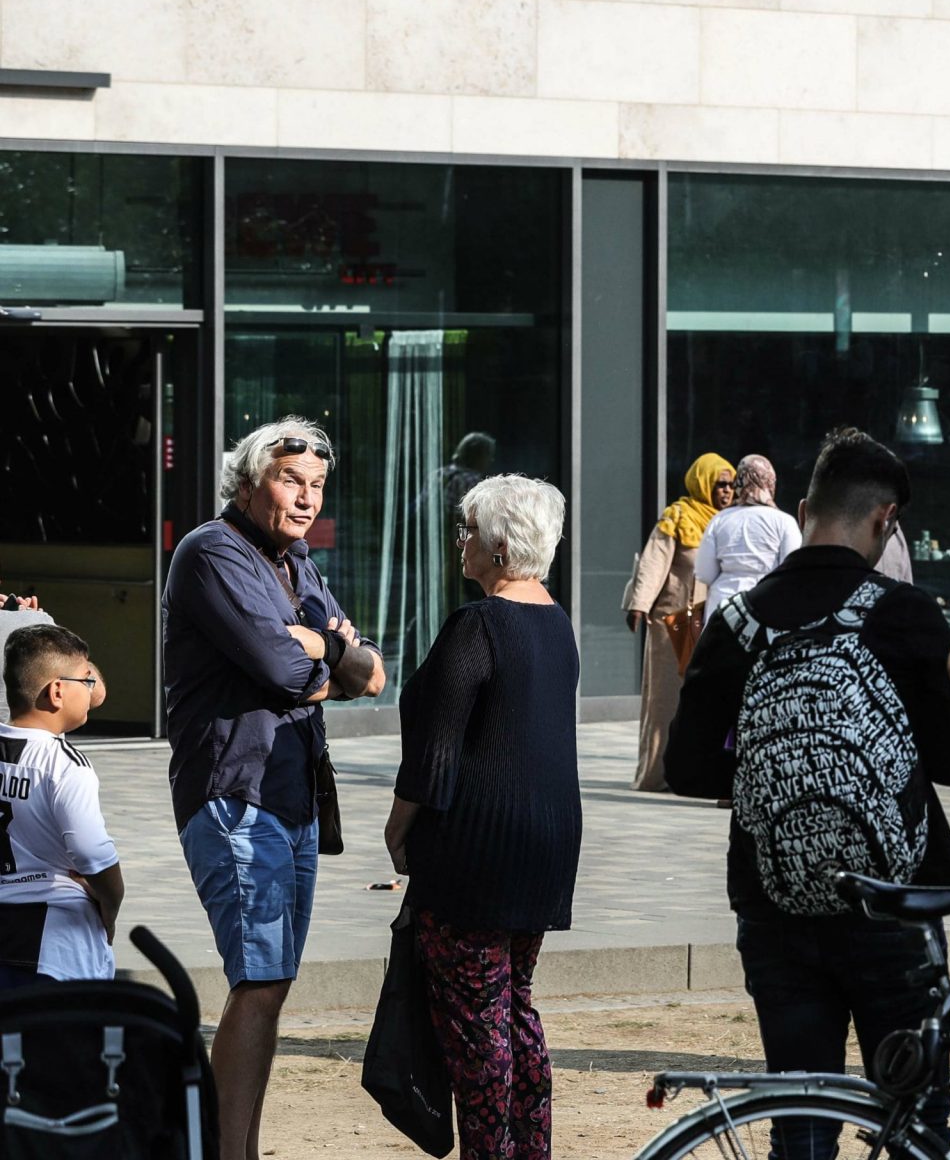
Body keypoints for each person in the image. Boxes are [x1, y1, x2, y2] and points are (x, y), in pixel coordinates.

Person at [667, 429, 950, 1159]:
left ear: (804, 509)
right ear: (884, 520)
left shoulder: (739, 623)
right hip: (894, 903)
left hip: (774, 900)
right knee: (913, 1119)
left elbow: (686, 770)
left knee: (801, 1120)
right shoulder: (906, 615)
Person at [164, 415, 387, 1160]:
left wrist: (317, 643)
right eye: (290, 479)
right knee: (259, 981)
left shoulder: (299, 565)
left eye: (317, 485)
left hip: (293, 796)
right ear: (249, 480)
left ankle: (241, 1149)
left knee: (273, 981)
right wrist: (326, 650)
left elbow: (371, 671)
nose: (305, 498)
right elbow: (291, 672)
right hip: (234, 792)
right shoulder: (212, 553)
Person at [386, 474, 582, 1160]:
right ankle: (531, 1149)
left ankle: (488, 1153)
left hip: (475, 850)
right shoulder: (556, 623)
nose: (459, 540)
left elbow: (436, 756)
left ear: (500, 547)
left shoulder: (477, 626)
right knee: (516, 1005)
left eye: (468, 528)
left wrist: (397, 831)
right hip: (547, 844)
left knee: (477, 1023)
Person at [0, 624, 122, 988]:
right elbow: (92, 853)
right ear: (57, 692)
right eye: (85, 681)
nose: (91, 690)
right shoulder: (64, 764)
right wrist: (110, 908)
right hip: (54, 940)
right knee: (61, 1040)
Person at [624, 452, 733, 791]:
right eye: (721, 484)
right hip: (674, 619)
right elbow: (653, 562)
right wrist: (639, 605)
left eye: (731, 484)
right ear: (702, 483)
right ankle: (654, 775)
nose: (728, 491)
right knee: (665, 700)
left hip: (710, 621)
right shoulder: (678, 516)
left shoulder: (729, 520)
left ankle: (691, 771)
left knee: (702, 702)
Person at [697, 454, 801, 612]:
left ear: (739, 482)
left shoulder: (719, 520)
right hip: (767, 606)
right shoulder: (785, 522)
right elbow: (792, 572)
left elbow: (704, 573)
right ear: (770, 481)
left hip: (722, 607)